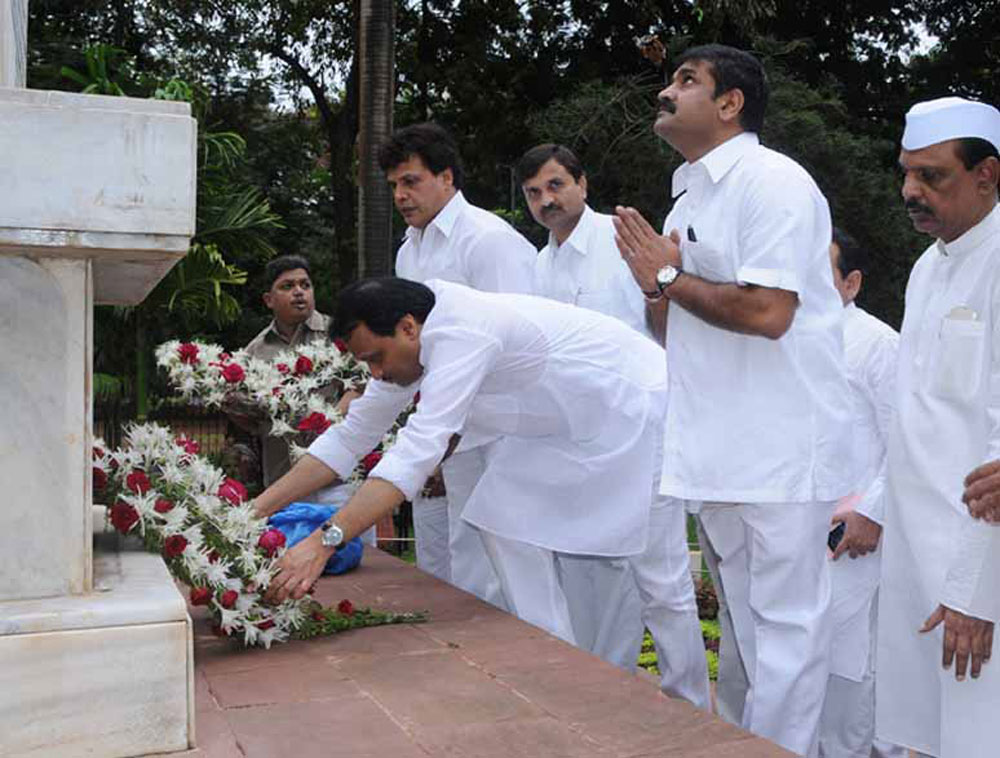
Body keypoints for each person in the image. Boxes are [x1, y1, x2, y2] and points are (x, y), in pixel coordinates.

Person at [253, 277, 710, 708]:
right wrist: (252, 511)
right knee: (500, 517)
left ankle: (690, 706)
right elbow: (351, 436)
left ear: (408, 327)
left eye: (376, 357)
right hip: (562, 430)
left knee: (660, 578)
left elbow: (416, 453)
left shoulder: (462, 333)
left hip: (638, 407)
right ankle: (561, 668)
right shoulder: (408, 347)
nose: (375, 372)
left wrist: (322, 542)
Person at [613, 44, 853, 755]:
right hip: (716, 443)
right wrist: (658, 284)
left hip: (779, 442)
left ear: (730, 103)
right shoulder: (688, 193)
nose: (667, 91)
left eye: (686, 81)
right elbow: (671, 318)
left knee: (787, 626)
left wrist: (667, 278)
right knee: (750, 627)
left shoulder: (770, 179)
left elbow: (768, 313)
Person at [875, 96, 1000, 758]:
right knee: (931, 734)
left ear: (988, 174)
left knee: (981, 733)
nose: (910, 192)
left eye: (932, 176)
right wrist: (874, 506)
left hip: (976, 561)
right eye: (906, 173)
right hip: (918, 550)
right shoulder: (928, 266)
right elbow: (914, 408)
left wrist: (977, 592)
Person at [375, 122, 535, 599]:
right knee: (468, 551)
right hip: (455, 421)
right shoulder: (410, 251)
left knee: (512, 551)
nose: (401, 196)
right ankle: (481, 658)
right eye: (394, 186)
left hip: (509, 422)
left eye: (411, 181)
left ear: (446, 178)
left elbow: (520, 338)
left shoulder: (487, 239)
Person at [516, 142, 649, 673]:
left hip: (629, 428)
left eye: (555, 185)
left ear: (582, 184)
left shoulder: (621, 245)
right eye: (532, 193)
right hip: (568, 434)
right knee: (573, 559)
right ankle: (588, 673)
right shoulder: (540, 265)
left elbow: (651, 335)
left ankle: (623, 681)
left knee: (628, 569)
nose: (546, 200)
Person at [818, 228, 903, 758]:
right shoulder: (787, 341)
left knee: (855, 671)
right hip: (802, 533)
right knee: (816, 670)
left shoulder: (879, 344)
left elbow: (910, 441)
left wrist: (874, 511)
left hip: (858, 537)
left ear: (851, 283)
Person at [233, 255, 332, 487]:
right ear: (269, 300)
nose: (299, 292)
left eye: (305, 285)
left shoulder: (337, 336)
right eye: (288, 286)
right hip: (281, 477)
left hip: (338, 477)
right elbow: (246, 418)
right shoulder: (254, 352)